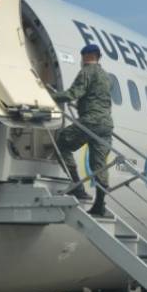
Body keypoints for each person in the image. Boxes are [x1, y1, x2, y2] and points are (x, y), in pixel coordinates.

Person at [52, 43, 113, 217]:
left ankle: (77, 186)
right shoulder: (106, 76)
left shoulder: (87, 71)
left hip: (90, 121)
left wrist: (51, 96)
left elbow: (73, 93)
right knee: (98, 165)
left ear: (87, 56)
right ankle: (99, 204)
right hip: (106, 125)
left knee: (62, 142)